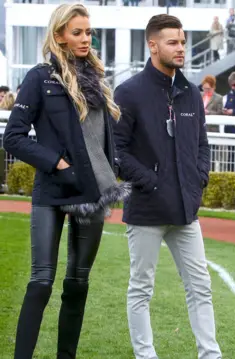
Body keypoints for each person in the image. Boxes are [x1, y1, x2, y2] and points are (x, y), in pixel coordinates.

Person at [3, 4, 130, 358]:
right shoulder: (40, 77)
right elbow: (13, 137)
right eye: (77, 32)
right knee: (41, 282)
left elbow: (103, 136)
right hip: (52, 189)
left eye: (88, 32)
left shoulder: (97, 81)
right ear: (59, 35)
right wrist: (57, 163)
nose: (85, 39)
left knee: (77, 284)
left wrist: (114, 163)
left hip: (94, 191)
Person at [112, 14, 222, 359]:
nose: (181, 48)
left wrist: (198, 179)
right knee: (142, 288)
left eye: (184, 42)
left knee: (200, 286)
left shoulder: (190, 93)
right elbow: (115, 151)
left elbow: (202, 145)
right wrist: (151, 182)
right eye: (173, 42)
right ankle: (146, 356)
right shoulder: (128, 93)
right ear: (153, 45)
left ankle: (210, 354)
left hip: (186, 211)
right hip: (146, 209)